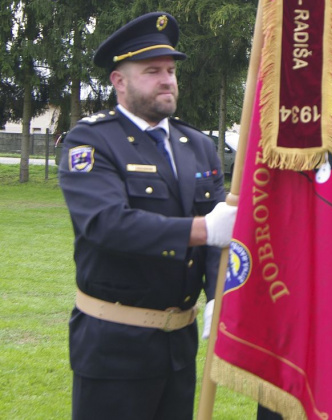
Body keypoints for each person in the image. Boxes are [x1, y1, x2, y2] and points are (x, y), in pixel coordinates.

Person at [58, 12, 237, 420]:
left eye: (171, 70)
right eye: (152, 70)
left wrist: (219, 296)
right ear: (119, 81)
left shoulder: (197, 145)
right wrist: (203, 228)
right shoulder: (92, 140)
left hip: (179, 343)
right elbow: (106, 224)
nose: (167, 80)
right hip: (114, 344)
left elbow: (218, 240)